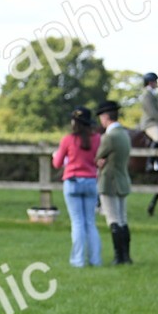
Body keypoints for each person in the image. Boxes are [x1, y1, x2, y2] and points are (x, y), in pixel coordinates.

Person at [52, 107, 101, 267]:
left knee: (78, 223)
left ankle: (78, 260)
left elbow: (57, 163)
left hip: (72, 181)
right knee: (90, 222)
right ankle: (95, 259)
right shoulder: (97, 139)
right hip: (90, 181)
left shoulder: (68, 139)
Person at [96, 100, 133, 264]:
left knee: (113, 220)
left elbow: (97, 157)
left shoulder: (109, 137)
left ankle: (119, 257)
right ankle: (126, 256)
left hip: (109, 182)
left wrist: (99, 161)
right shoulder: (124, 134)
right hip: (122, 179)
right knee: (123, 220)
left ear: (105, 117)